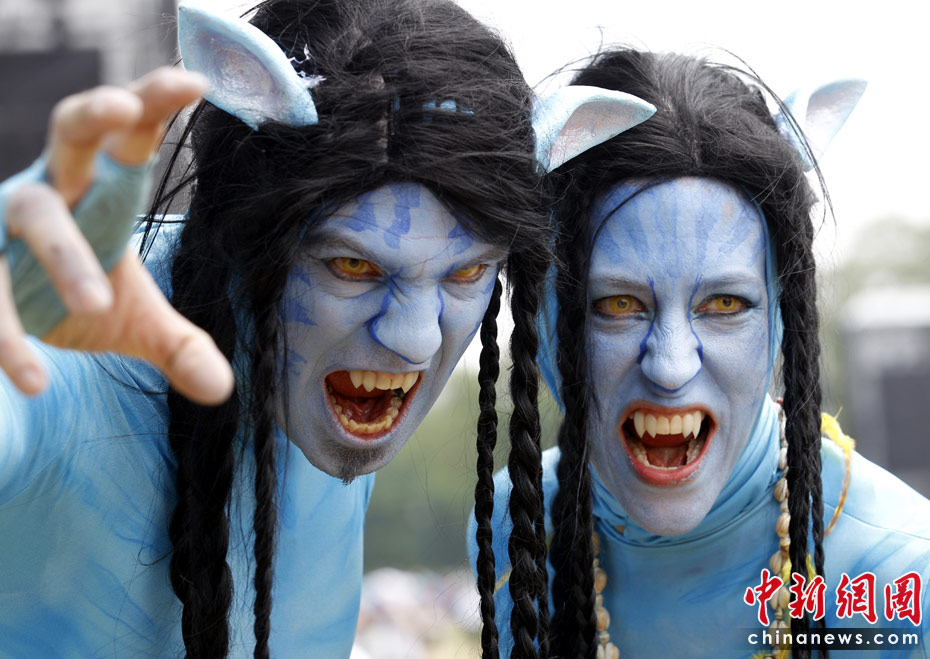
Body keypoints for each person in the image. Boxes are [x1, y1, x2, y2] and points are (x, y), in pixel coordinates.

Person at [0, 0, 654, 655]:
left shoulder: (331, 394)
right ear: (248, 234)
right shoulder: (64, 352)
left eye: (466, 272)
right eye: (353, 266)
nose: (416, 340)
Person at [471, 49, 930, 658]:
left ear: (781, 318)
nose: (670, 367)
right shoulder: (517, 522)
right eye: (617, 305)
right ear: (539, 314)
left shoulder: (899, 578)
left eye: (724, 304)